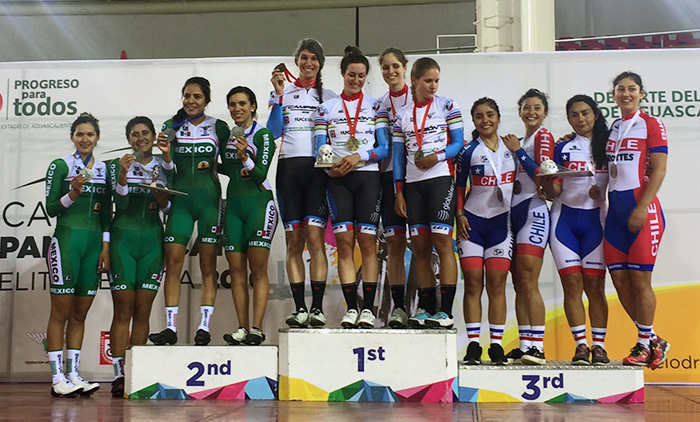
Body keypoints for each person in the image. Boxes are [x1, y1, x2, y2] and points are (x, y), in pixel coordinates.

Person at [149, 76, 230, 346]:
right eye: (186, 96)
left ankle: (203, 327)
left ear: (206, 100)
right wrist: (168, 156)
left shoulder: (219, 126)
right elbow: (167, 170)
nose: (191, 101)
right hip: (181, 202)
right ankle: (170, 328)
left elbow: (230, 161)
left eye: (196, 96)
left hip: (208, 202)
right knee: (172, 263)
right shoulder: (170, 127)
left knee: (208, 265)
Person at [314, 46, 388, 328]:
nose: (355, 80)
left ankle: (368, 309)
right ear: (343, 74)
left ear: (366, 77)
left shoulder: (376, 107)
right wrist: (331, 165)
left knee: (367, 244)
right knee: (345, 244)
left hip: (367, 177)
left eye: (361, 76)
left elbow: (382, 149)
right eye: (351, 75)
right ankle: (352, 309)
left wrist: (359, 156)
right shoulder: (327, 108)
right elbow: (320, 147)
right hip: (338, 179)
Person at [267, 38, 337, 328]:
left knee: (315, 239)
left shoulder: (330, 96)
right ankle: (300, 309)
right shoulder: (283, 91)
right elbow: (272, 131)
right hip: (288, 171)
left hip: (318, 172)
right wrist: (279, 96)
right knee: (294, 241)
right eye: (304, 58)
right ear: (297, 61)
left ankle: (317, 309)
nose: (308, 63)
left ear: (320, 64)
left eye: (314, 59)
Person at [393, 57, 464, 329]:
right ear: (414, 80)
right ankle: (426, 306)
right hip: (413, 185)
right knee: (420, 247)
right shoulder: (402, 114)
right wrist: (398, 191)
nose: (433, 86)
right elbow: (399, 156)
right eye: (427, 81)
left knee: (443, 244)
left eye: (436, 81)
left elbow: (458, 143)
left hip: (439, 180)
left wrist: (437, 156)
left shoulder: (447, 106)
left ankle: (445, 311)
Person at [540, 95, 611, 365]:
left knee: (595, 286)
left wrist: (600, 192)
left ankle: (600, 346)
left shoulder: (609, 144)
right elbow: (554, 189)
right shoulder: (563, 147)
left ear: (595, 114)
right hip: (564, 221)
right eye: (574, 115)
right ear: (568, 119)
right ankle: (581, 345)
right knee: (572, 285)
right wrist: (546, 183)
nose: (581, 119)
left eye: (585, 113)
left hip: (597, 222)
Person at [605, 71, 669, 369]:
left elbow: (659, 169)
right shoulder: (615, 126)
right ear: (614, 94)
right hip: (615, 214)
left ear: (641, 93)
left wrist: (642, 206)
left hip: (641, 210)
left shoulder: (651, 124)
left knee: (641, 282)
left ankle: (643, 344)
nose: (625, 94)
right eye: (620, 89)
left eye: (631, 89)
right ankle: (653, 338)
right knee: (620, 282)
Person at [45, 112, 109, 397]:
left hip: (94, 245)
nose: (85, 139)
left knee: (80, 313)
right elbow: (51, 208)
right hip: (67, 242)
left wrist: (105, 246)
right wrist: (72, 192)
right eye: (80, 134)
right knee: (60, 312)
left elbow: (107, 213)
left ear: (97, 138)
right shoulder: (60, 165)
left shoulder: (105, 169)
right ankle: (57, 377)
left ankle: (73, 374)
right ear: (72, 137)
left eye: (90, 135)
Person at [107, 116, 170, 396]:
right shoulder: (117, 164)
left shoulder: (164, 165)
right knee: (123, 310)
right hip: (123, 239)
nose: (140, 138)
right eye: (134, 134)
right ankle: (119, 374)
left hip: (152, 240)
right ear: (128, 138)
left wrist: (161, 197)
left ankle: (136, 370)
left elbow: (168, 207)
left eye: (145, 133)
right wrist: (122, 175)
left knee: (143, 311)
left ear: (154, 136)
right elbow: (119, 202)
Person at [457, 98, 516, 365]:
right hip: (472, 223)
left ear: (498, 117)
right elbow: (458, 187)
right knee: (472, 283)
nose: (485, 120)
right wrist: (459, 215)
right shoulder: (469, 150)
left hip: (501, 226)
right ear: (474, 121)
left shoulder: (512, 147)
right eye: (479, 116)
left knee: (497, 285)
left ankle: (496, 344)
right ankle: (472, 345)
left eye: (490, 114)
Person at [220, 87, 277, 345]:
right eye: (232, 104)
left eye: (242, 103)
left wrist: (245, 157)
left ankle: (257, 328)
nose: (237, 109)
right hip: (233, 205)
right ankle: (241, 327)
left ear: (253, 106)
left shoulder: (263, 135)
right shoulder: (228, 136)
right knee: (236, 270)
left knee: (258, 270)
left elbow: (261, 175)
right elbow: (227, 169)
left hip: (258, 204)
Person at [501, 89, 554, 365]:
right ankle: (524, 345)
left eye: (537, 108)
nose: (531, 112)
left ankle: (538, 347)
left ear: (545, 113)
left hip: (533, 210)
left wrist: (519, 152)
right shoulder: (521, 140)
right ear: (520, 110)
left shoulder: (542, 136)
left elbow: (543, 174)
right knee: (519, 282)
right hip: (513, 212)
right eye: (526, 107)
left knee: (529, 281)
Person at [376, 47, 412, 328]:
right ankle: (399, 307)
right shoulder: (378, 105)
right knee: (395, 245)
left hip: (422, 179)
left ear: (405, 67)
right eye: (386, 67)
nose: (391, 71)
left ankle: (426, 306)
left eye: (395, 66)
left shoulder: (422, 99)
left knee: (425, 246)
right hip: (388, 178)